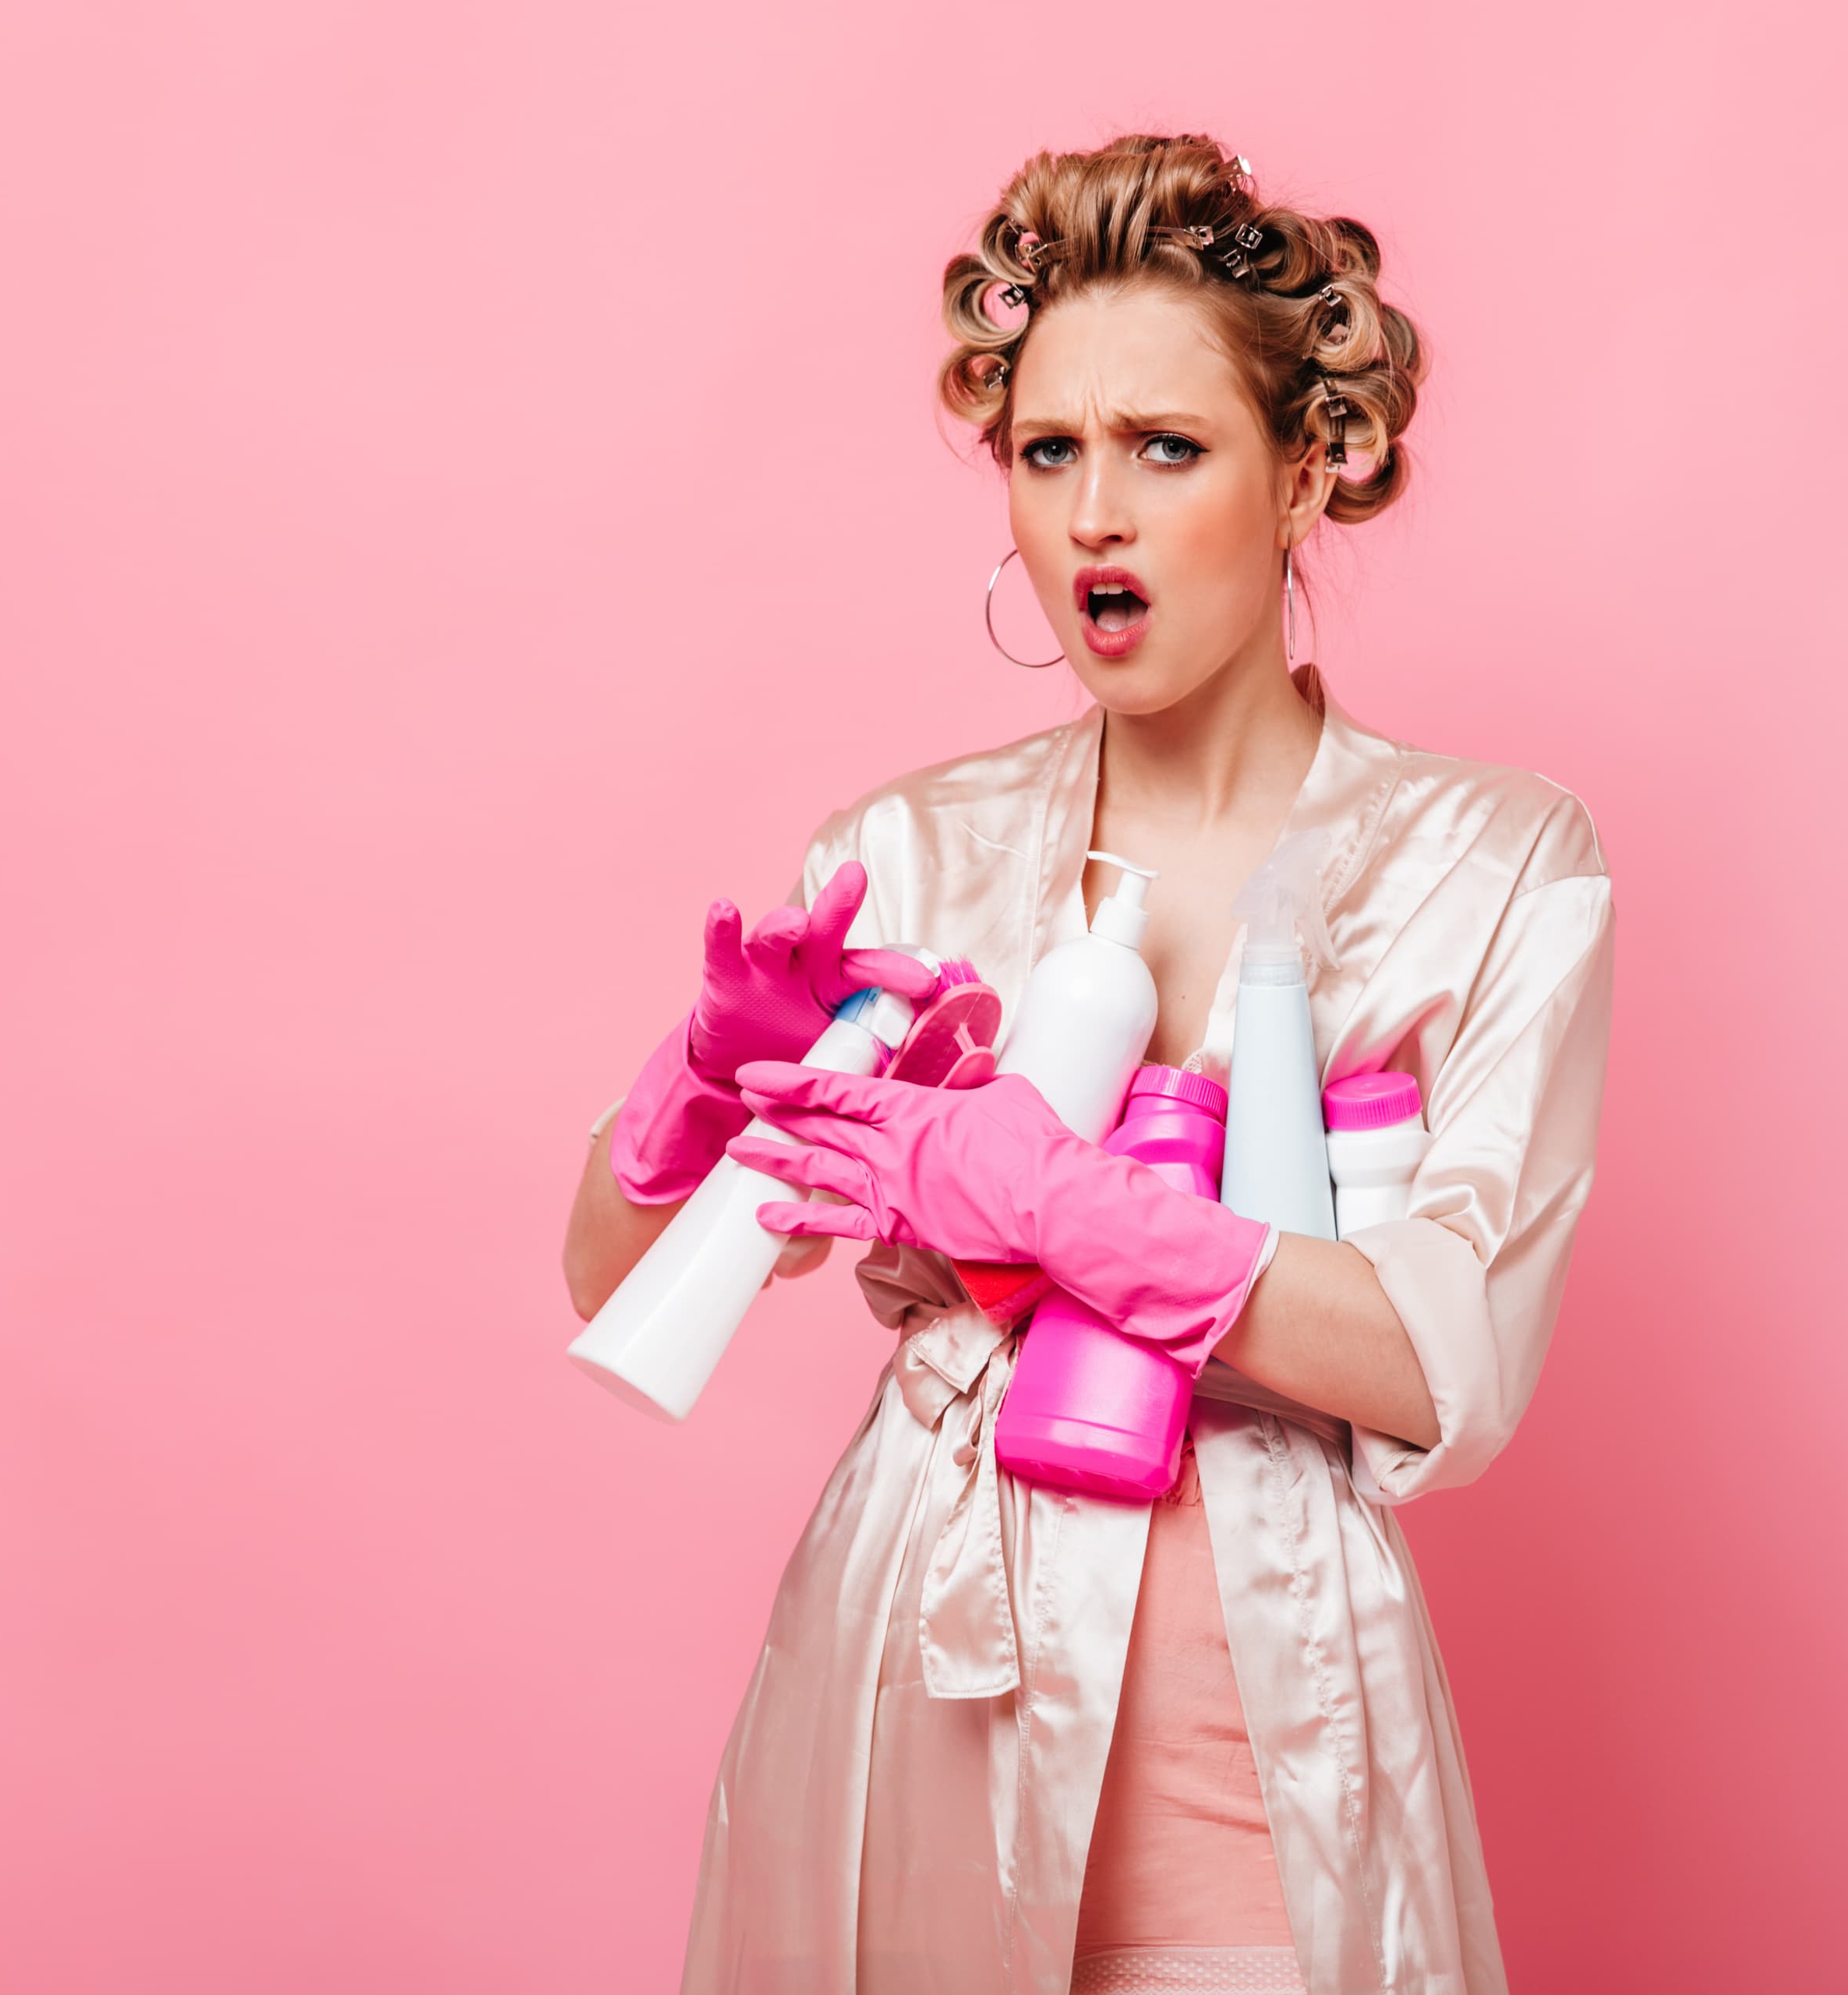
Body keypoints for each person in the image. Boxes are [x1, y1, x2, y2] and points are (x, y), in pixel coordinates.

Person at [562, 134, 1613, 1995]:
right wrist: (694, 1094)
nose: (1094, 516)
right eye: (1049, 451)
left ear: (1310, 468)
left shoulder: (1488, 864)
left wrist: (1054, 1200)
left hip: (1262, 1769)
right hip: (915, 1725)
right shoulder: (914, 853)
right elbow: (617, 1285)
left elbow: (1444, 1362)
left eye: (1166, 447)